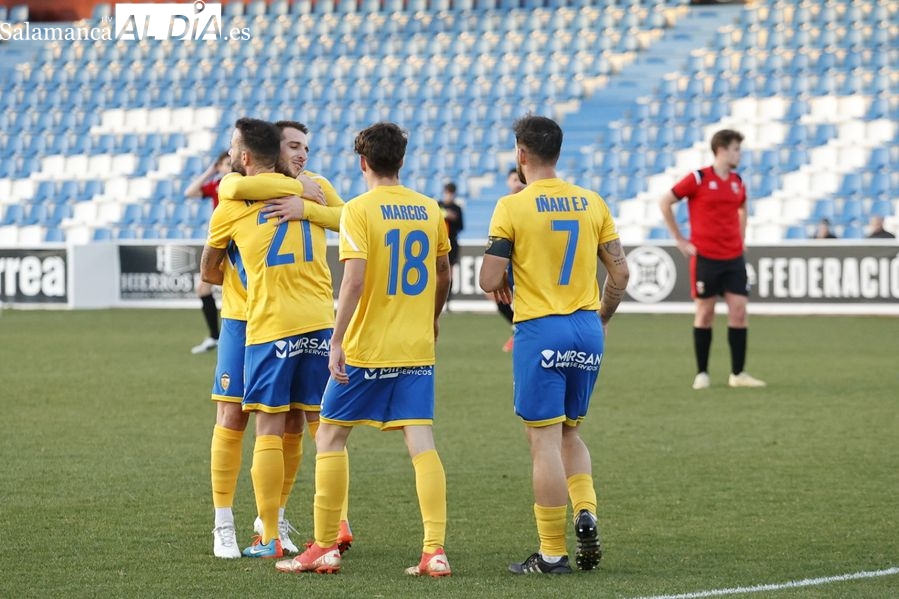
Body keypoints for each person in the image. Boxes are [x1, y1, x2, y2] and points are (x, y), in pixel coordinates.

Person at [276, 122, 452, 577]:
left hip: (367, 348)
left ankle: (324, 546)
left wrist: (336, 340)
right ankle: (434, 551)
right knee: (422, 443)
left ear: (362, 162)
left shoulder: (358, 209)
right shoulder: (429, 208)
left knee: (331, 436)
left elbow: (353, 280)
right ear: (401, 161)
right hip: (415, 348)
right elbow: (443, 273)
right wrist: (432, 318)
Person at [479, 115, 630, 575]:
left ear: (521, 153)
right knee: (570, 432)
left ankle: (551, 553)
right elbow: (621, 273)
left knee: (542, 439)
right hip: (586, 327)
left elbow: (488, 278)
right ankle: (585, 510)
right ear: (558, 153)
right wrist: (602, 317)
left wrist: (506, 272)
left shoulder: (512, 205)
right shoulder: (592, 202)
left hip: (541, 329)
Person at [201, 117, 336, 560]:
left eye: (305, 147)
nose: (301, 154)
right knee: (232, 417)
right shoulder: (238, 195)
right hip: (243, 320)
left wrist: (304, 202)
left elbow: (349, 217)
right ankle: (223, 523)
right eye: (292, 146)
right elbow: (209, 266)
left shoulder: (312, 187)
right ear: (272, 152)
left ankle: (271, 518)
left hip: (285, 320)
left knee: (290, 420)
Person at [659, 128, 766, 390]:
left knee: (739, 312)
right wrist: (680, 239)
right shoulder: (698, 178)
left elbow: (743, 208)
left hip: (734, 258)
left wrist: (742, 237)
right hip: (706, 257)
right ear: (722, 150)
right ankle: (702, 373)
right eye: (736, 149)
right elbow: (665, 201)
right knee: (705, 313)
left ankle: (738, 373)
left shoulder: (738, 181)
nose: (739, 154)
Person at [185, 151, 230, 354]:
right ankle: (214, 337)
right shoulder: (217, 185)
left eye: (232, 163)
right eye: (225, 164)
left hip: (235, 242)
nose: (230, 167)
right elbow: (190, 192)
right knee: (203, 289)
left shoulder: (243, 184)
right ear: (219, 167)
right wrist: (210, 171)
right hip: (220, 243)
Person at [492, 167, 525, 352]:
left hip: (527, 263)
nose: (518, 183)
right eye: (514, 180)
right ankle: (517, 329)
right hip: (510, 263)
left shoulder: (529, 203)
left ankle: (521, 333)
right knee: (500, 300)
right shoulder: (504, 205)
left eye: (520, 179)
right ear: (508, 182)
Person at [439, 181, 463, 308]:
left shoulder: (457, 208)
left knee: (450, 272)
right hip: (439, 241)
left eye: (451, 193)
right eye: (447, 193)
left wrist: (453, 217)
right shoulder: (438, 205)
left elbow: (461, 226)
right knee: (437, 270)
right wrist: (444, 214)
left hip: (452, 242)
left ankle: (447, 301)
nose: (449, 195)